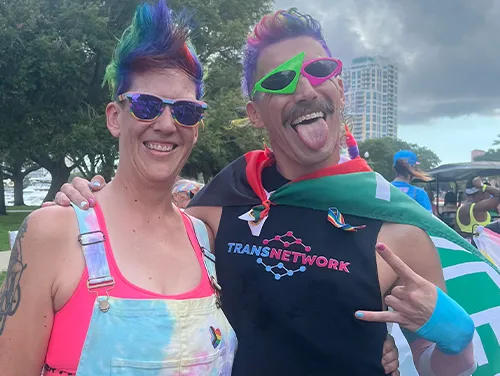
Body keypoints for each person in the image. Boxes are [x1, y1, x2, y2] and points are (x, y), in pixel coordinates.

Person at [51, 7, 496, 376]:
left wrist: (455, 338)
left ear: (339, 87)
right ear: (255, 113)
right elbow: (143, 223)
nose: (304, 89)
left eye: (319, 70)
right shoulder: (223, 200)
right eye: (280, 81)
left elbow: (439, 367)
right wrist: (87, 199)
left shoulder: (400, 233)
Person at [0, 1, 238, 375]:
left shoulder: (206, 241)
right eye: (146, 105)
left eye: (185, 110)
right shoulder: (53, 233)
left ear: (196, 126)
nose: (165, 123)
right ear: (115, 117)